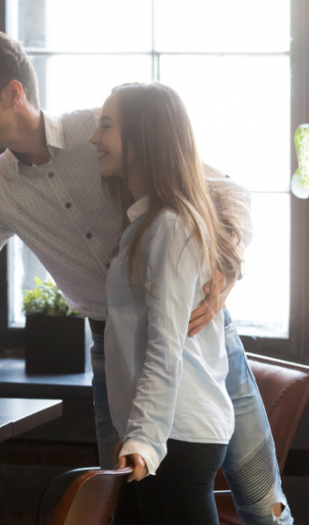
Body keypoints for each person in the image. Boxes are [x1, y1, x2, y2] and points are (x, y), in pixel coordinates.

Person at [0, 29, 290, 524]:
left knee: (262, 501)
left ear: (14, 93)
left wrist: (225, 270)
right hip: (113, 355)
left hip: (197, 338)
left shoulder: (104, 133)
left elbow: (226, 191)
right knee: (125, 507)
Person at [91, 82, 237, 524]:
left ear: (144, 136)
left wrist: (145, 440)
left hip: (178, 438)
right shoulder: (147, 223)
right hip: (161, 435)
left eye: (106, 127)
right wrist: (136, 435)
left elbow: (164, 346)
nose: (94, 138)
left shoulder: (170, 227)